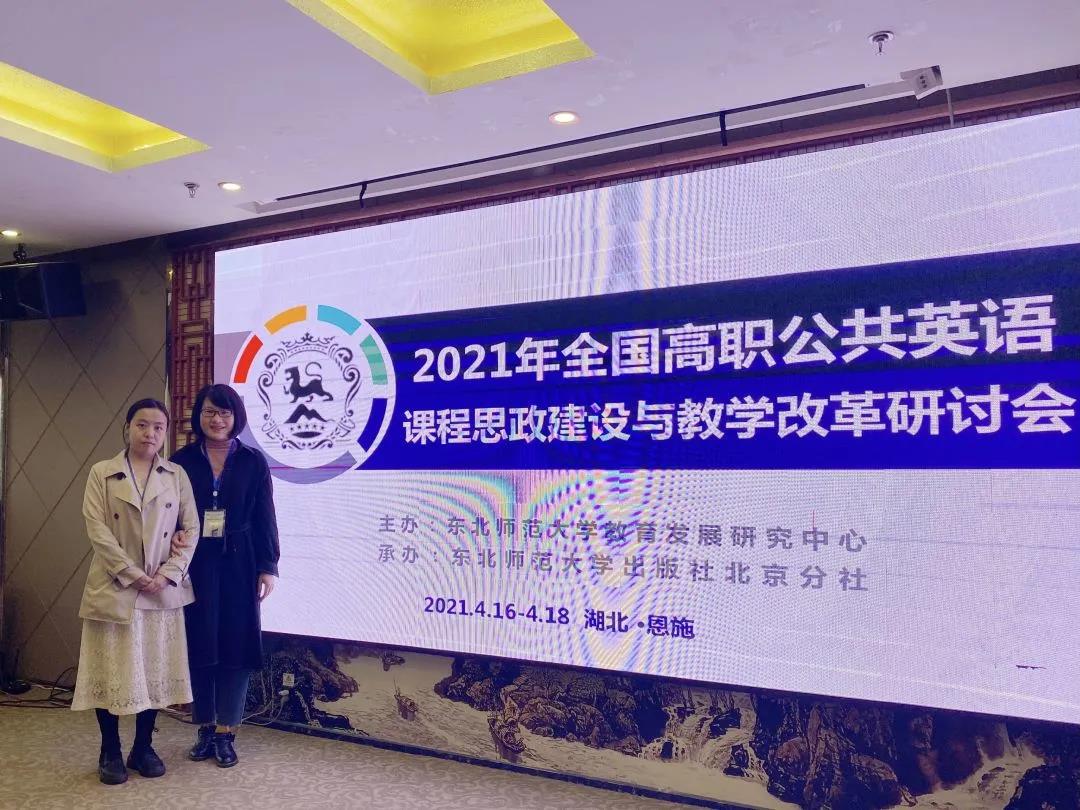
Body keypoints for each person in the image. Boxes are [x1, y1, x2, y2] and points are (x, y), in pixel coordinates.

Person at [71, 398, 200, 785]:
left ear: (166, 432)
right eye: (142, 424)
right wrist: (132, 574)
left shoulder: (175, 474)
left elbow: (191, 528)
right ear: (127, 427)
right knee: (109, 671)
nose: (150, 433)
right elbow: (96, 529)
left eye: (159, 427)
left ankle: (143, 747)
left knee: (153, 670)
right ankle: (109, 749)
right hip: (115, 585)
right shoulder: (102, 472)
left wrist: (168, 573)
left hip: (161, 589)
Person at [170, 383, 279, 768]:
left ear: (236, 417)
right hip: (194, 561)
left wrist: (268, 565)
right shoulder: (181, 461)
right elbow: (166, 514)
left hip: (241, 560)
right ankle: (204, 727)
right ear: (199, 416)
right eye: (210, 412)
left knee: (236, 643)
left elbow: (265, 514)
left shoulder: (252, 460)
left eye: (225, 413)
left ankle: (226, 731)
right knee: (199, 642)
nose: (217, 420)